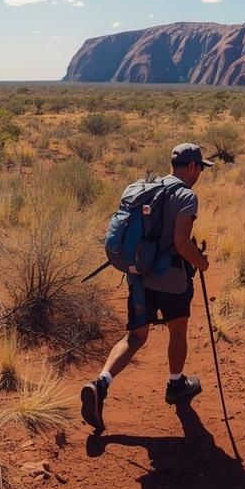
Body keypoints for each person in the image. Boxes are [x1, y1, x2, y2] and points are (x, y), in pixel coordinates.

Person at [80, 142, 213, 434]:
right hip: (172, 280)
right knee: (178, 331)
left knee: (135, 336)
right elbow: (180, 242)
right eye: (201, 168)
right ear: (192, 167)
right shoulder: (186, 196)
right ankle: (176, 384)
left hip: (139, 275)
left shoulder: (144, 186)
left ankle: (100, 383)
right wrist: (201, 262)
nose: (200, 173)